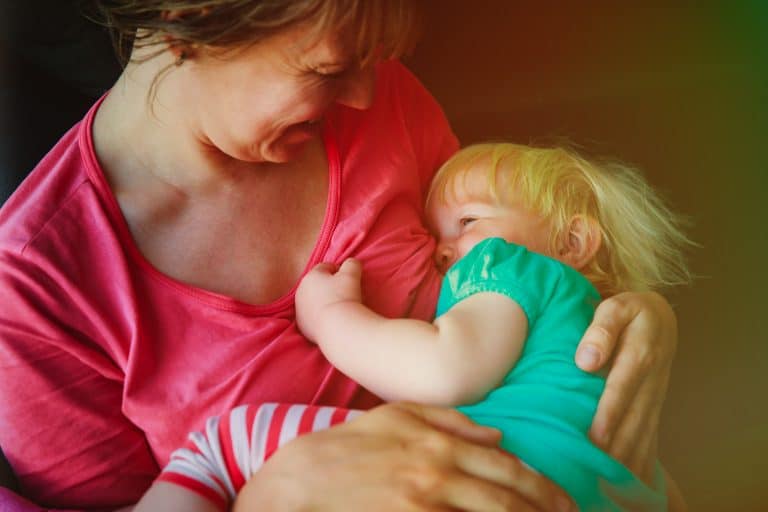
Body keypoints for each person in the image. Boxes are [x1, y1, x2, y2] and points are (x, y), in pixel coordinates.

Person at [0, 2, 680, 510]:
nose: (363, 94)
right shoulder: (31, 289)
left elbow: (508, 274)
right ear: (186, 20)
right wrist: (276, 494)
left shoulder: (389, 103)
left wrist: (624, 308)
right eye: (327, 69)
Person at [131, 142, 692, 511]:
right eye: (441, 233)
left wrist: (331, 318)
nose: (445, 251)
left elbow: (445, 371)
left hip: (484, 475)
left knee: (223, 443)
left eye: (468, 222)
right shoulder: (602, 338)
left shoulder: (508, 265)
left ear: (571, 243)